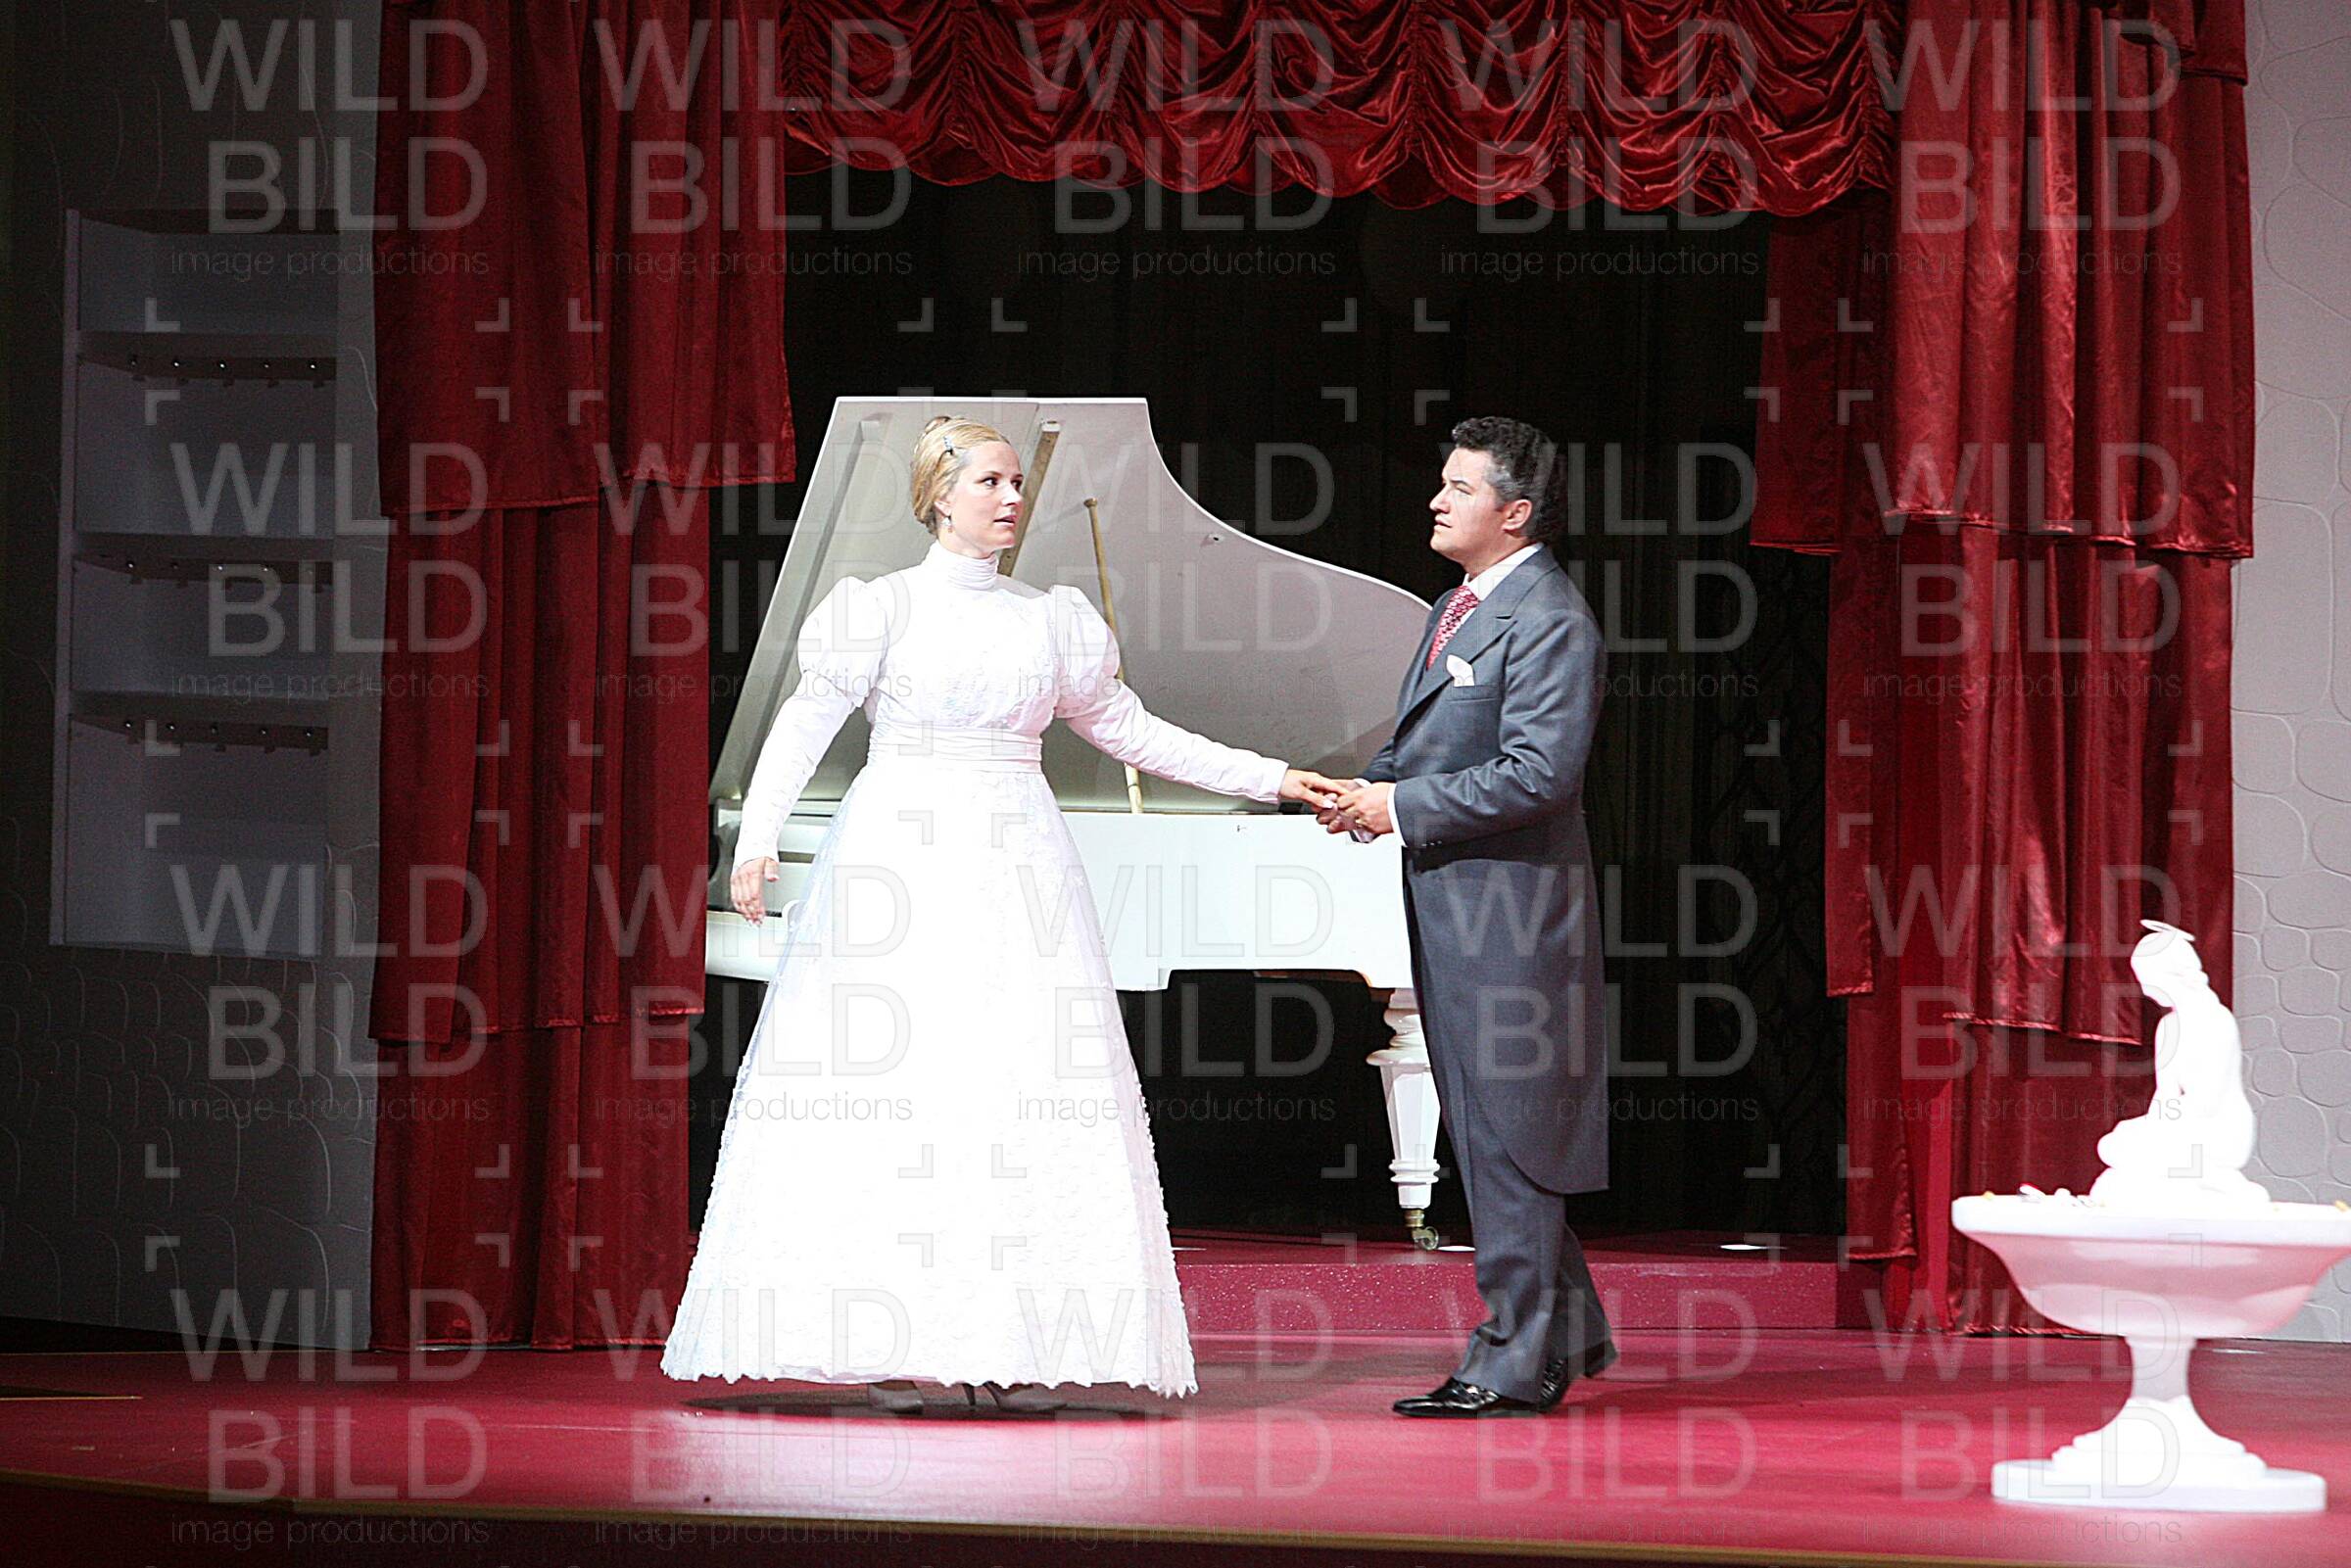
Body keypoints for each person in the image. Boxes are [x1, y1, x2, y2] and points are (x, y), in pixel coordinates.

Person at [660, 414, 1346, 1412]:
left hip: (1018, 860)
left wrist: (1274, 777)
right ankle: (885, 1335)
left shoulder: (1050, 620)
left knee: (1015, 1080)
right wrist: (757, 839)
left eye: (1017, 481)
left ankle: (1008, 1339)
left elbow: (1133, 731)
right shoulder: (881, 609)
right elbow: (803, 723)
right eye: (990, 480)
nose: (1013, 497)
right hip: (900, 858)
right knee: (898, 1082)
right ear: (939, 495)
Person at [1319, 416, 1614, 1417]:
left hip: (1514, 920)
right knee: (1492, 1130)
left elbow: (1539, 772)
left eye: (1459, 488)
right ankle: (1563, 1331)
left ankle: (1511, 1360)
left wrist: (1399, 806)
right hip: (1458, 906)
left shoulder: (1550, 618)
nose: (1437, 501)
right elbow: (1427, 742)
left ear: (1515, 512)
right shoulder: (1459, 604)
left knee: (1509, 1134)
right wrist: (1363, 789)